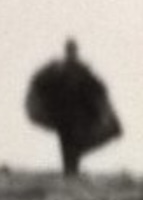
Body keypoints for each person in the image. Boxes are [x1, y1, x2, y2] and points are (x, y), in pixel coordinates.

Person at [24, 38, 123, 177]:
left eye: (73, 50)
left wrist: (102, 111)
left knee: (73, 143)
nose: (71, 53)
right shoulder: (60, 69)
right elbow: (42, 84)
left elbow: (97, 89)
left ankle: (72, 170)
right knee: (68, 144)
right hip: (64, 115)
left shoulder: (80, 70)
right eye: (70, 50)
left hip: (77, 116)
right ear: (68, 51)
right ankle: (70, 172)